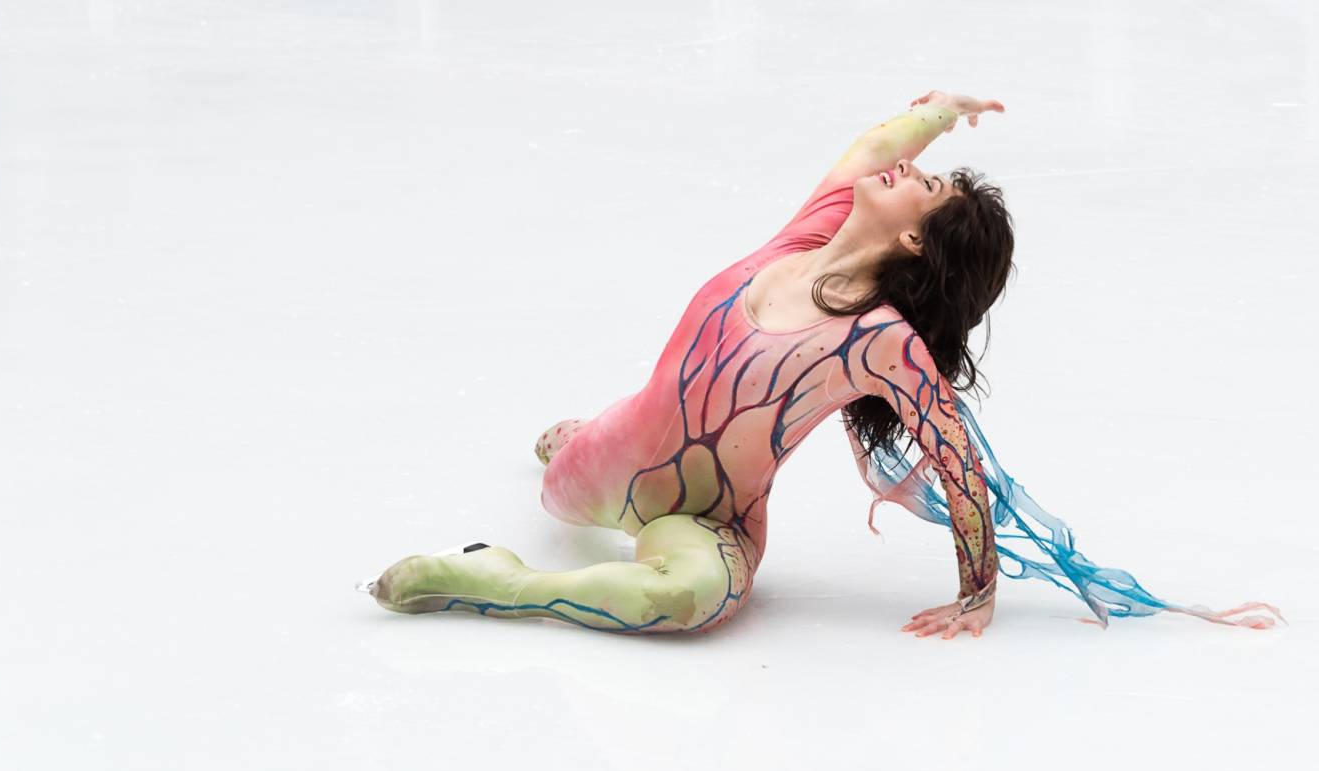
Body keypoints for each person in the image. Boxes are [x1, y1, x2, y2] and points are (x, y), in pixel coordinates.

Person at [362, 90, 1281, 637]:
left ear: (916, 238)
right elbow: (875, 148)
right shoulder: (805, 234)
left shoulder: (875, 342)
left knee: (694, 600)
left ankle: (495, 579)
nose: (905, 172)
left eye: (926, 185)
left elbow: (958, 457)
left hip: (707, 519)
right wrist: (938, 113)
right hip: (604, 459)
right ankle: (566, 432)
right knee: (560, 474)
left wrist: (978, 590)